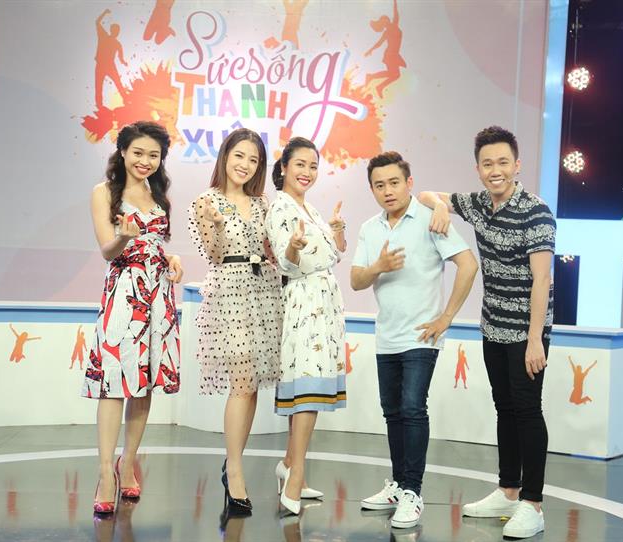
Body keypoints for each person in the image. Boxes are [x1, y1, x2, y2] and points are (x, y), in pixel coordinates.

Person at [418, 125, 556, 539]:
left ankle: (533, 503)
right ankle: (508, 491)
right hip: (492, 327)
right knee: (504, 408)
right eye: (487, 164)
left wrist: (535, 338)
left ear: (517, 165)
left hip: (527, 332)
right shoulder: (478, 203)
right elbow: (426, 194)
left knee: (527, 410)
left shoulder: (536, 211)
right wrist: (439, 207)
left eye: (503, 163)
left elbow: (542, 279)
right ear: (478, 169)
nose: (496, 171)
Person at [351, 151, 478, 529]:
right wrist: (378, 266)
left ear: (409, 183)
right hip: (386, 335)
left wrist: (446, 317)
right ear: (372, 189)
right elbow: (356, 280)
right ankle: (397, 485)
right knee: (392, 411)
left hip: (421, 335)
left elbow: (468, 264)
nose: (387, 191)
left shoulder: (430, 217)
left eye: (394, 182)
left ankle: (412, 491)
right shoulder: (370, 228)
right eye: (379, 185)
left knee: (411, 408)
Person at [82, 121, 182, 514]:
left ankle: (128, 464)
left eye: (153, 155)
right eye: (138, 152)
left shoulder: (159, 196)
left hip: (158, 295)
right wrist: (124, 236)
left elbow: (155, 244)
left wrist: (172, 259)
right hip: (124, 294)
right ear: (122, 151)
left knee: (144, 385)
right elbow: (108, 251)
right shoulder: (104, 192)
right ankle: (106, 471)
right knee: (113, 384)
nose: (145, 161)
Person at [187, 128, 283, 514]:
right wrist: (215, 224)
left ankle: (233, 463)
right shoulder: (206, 201)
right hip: (229, 291)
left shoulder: (262, 203)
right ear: (225, 156)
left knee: (252, 384)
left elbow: (272, 251)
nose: (245, 165)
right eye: (239, 155)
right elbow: (213, 254)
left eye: (254, 159)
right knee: (241, 380)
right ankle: (236, 471)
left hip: (264, 291)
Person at [265, 137, 347, 515]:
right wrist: (294, 247)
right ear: (283, 167)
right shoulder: (280, 207)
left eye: (313, 166)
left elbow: (334, 252)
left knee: (308, 386)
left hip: (324, 301)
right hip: (304, 300)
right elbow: (286, 261)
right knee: (308, 391)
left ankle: (288, 463)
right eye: (300, 164)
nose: (307, 172)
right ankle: (295, 475)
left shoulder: (309, 207)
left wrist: (337, 231)